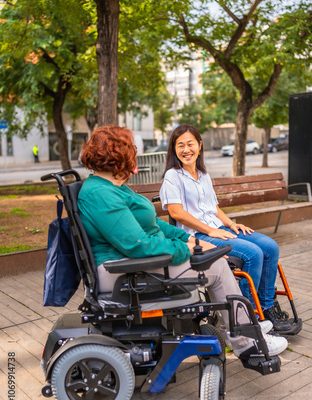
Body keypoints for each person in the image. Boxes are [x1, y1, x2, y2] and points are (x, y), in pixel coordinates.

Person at [77, 125, 288, 361]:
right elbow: (139, 245)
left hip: (134, 261)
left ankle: (244, 327)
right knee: (217, 267)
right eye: (131, 149)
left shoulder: (112, 187)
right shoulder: (101, 193)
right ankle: (246, 341)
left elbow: (155, 226)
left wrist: (190, 238)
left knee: (221, 257)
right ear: (119, 155)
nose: (134, 155)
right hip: (120, 271)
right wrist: (188, 250)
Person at [160, 124, 291, 333]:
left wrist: (231, 223)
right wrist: (210, 230)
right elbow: (176, 212)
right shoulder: (173, 176)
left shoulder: (203, 175)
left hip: (217, 227)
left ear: (200, 145)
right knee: (253, 254)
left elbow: (214, 208)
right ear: (174, 149)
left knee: (270, 246)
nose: (186, 150)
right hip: (197, 235)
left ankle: (265, 308)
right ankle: (244, 319)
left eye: (190, 144)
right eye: (180, 145)